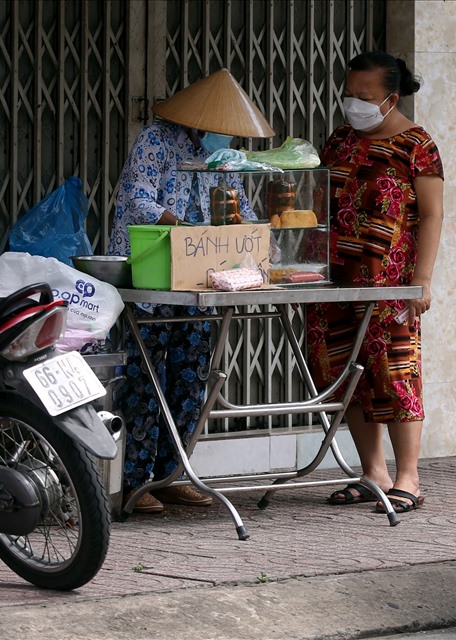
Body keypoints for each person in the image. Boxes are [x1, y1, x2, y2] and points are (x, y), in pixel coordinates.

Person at [109, 69, 274, 514]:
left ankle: (173, 474)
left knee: (189, 379)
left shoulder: (226, 157)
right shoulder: (156, 140)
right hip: (152, 278)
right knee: (143, 382)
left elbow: (241, 206)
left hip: (202, 281)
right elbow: (137, 198)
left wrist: (253, 231)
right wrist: (180, 227)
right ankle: (132, 482)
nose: (226, 138)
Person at [306, 52, 444, 514]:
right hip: (334, 280)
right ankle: (374, 472)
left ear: (392, 97)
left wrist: (421, 279)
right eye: (348, 95)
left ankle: (409, 476)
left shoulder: (416, 143)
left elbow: (431, 214)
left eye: (364, 97)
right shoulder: (340, 140)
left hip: (390, 282)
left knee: (395, 373)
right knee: (344, 372)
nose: (353, 105)